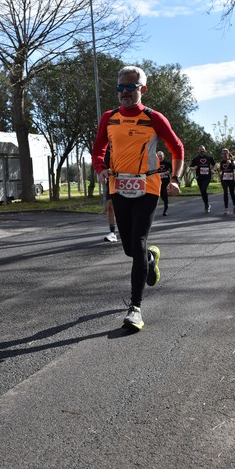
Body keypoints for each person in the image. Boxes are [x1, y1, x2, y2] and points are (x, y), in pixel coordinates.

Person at [92, 65, 184, 331]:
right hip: (119, 185)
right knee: (131, 249)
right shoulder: (108, 118)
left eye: (130, 87)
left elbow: (176, 146)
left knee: (139, 241)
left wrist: (175, 178)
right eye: (120, 87)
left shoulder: (154, 117)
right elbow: (98, 149)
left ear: (142, 89)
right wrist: (101, 169)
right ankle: (151, 259)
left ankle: (135, 308)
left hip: (148, 186)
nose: (124, 92)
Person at [190, 145, 215, 213]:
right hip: (199, 177)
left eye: (203, 149)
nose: (202, 151)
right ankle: (206, 204)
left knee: (204, 189)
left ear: (205, 150)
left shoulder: (209, 158)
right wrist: (194, 168)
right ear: (198, 151)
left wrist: (212, 169)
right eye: (200, 149)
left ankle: (206, 205)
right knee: (202, 192)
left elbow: (214, 164)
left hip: (207, 177)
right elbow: (191, 167)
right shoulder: (195, 159)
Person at [218, 149, 235, 215]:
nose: (224, 155)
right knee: (225, 192)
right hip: (224, 179)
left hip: (231, 179)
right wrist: (217, 170)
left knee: (232, 192)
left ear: (228, 154)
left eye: (225, 153)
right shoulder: (222, 162)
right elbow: (221, 170)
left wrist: (231, 164)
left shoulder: (233, 161)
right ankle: (226, 208)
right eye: (223, 154)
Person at [103, 147, 117, 242]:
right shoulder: (105, 150)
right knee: (109, 205)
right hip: (112, 180)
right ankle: (112, 232)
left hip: (127, 179)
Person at [156, 150, 172, 216]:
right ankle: (165, 201)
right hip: (157, 181)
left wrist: (169, 172)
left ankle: (165, 208)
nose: (160, 158)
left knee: (164, 194)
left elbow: (173, 169)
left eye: (161, 156)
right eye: (159, 156)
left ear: (163, 156)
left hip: (165, 180)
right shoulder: (155, 163)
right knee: (161, 195)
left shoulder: (167, 163)